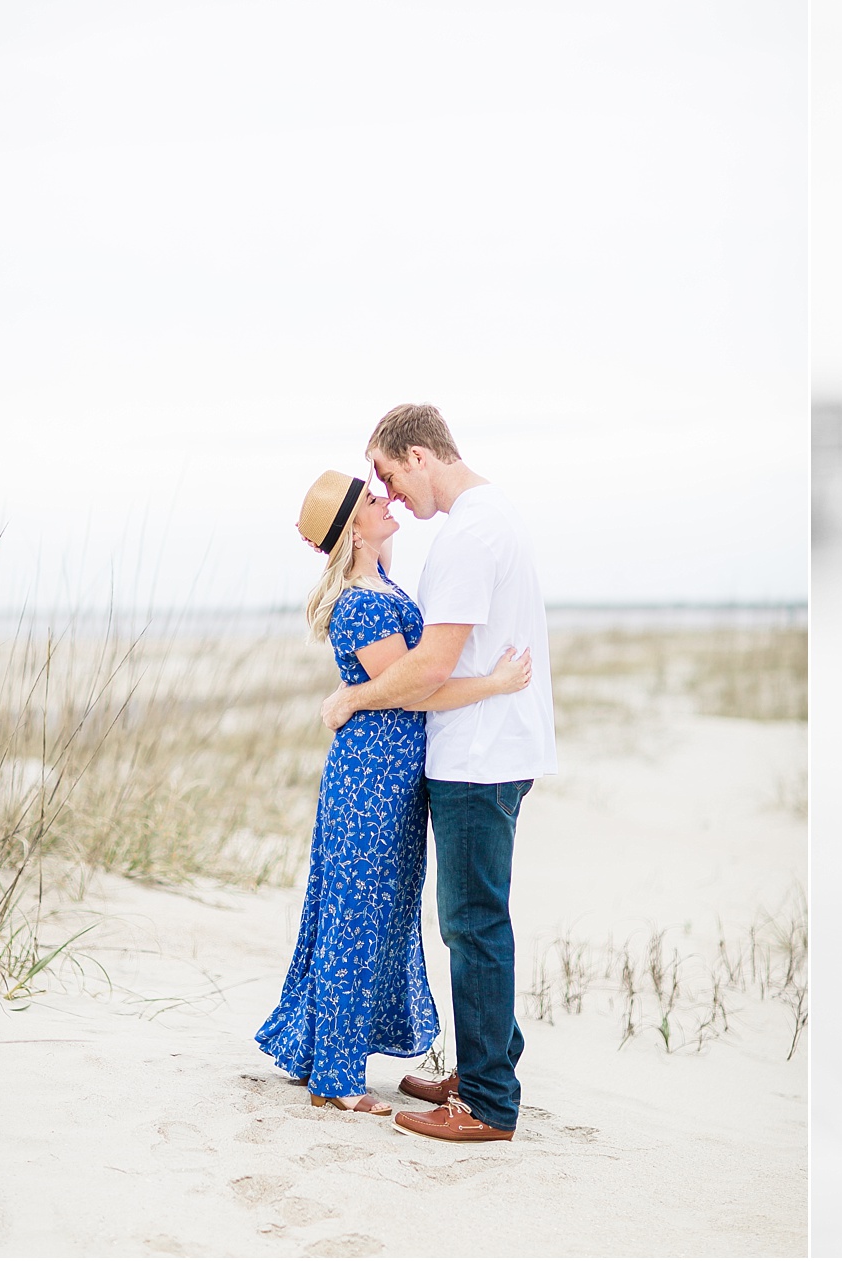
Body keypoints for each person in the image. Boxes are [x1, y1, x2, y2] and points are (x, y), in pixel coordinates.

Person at [256, 471, 532, 1114]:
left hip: (391, 772)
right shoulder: (365, 602)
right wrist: (493, 684)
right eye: (376, 503)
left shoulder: (383, 590)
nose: (389, 504)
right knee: (358, 917)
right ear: (354, 529)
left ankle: (320, 1055)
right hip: (372, 777)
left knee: (362, 912)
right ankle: (340, 1081)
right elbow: (415, 689)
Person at [319, 404, 558, 1145]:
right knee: (477, 918)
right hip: (491, 751)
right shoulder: (490, 515)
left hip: (478, 758)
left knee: (472, 923)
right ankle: (487, 1066)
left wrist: (352, 696)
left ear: (419, 456)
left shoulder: (468, 533)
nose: (390, 495)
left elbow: (429, 666)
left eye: (389, 475)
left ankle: (486, 1100)